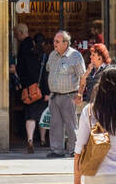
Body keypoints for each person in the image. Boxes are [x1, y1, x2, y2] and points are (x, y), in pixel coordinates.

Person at [45, 30, 87, 157]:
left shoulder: (75, 56)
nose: (54, 44)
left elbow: (83, 77)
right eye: (54, 41)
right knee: (55, 125)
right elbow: (48, 70)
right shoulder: (53, 55)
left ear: (65, 43)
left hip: (69, 95)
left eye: (57, 41)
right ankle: (56, 150)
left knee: (71, 124)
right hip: (55, 95)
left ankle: (75, 150)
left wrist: (80, 94)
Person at [15, 23, 48, 154]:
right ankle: (43, 139)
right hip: (40, 88)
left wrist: (22, 84)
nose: (16, 37)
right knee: (42, 115)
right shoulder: (41, 54)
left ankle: (30, 139)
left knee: (30, 115)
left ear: (22, 33)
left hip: (29, 89)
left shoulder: (24, 47)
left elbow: (22, 68)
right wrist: (46, 91)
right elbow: (44, 72)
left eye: (17, 34)